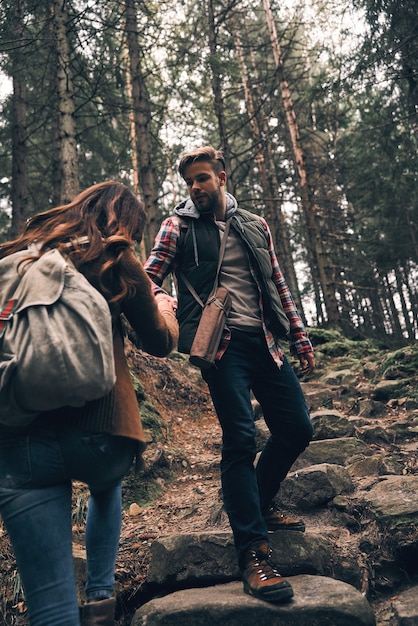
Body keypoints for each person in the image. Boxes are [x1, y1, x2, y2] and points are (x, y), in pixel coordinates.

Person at [0, 182, 178, 626]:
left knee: (50, 608)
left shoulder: (25, 255)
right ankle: (101, 596)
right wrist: (164, 306)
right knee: (107, 485)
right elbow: (158, 341)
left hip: (20, 434)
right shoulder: (118, 259)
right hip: (101, 433)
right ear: (125, 225)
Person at [144, 146, 315, 604]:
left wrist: (298, 337)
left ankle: (257, 502)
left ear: (222, 176)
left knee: (298, 428)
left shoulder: (254, 225)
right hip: (219, 347)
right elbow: (148, 277)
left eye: (202, 179)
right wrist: (163, 301)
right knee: (240, 438)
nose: (195, 188)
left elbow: (277, 282)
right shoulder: (176, 226)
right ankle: (253, 552)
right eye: (189, 182)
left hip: (265, 342)